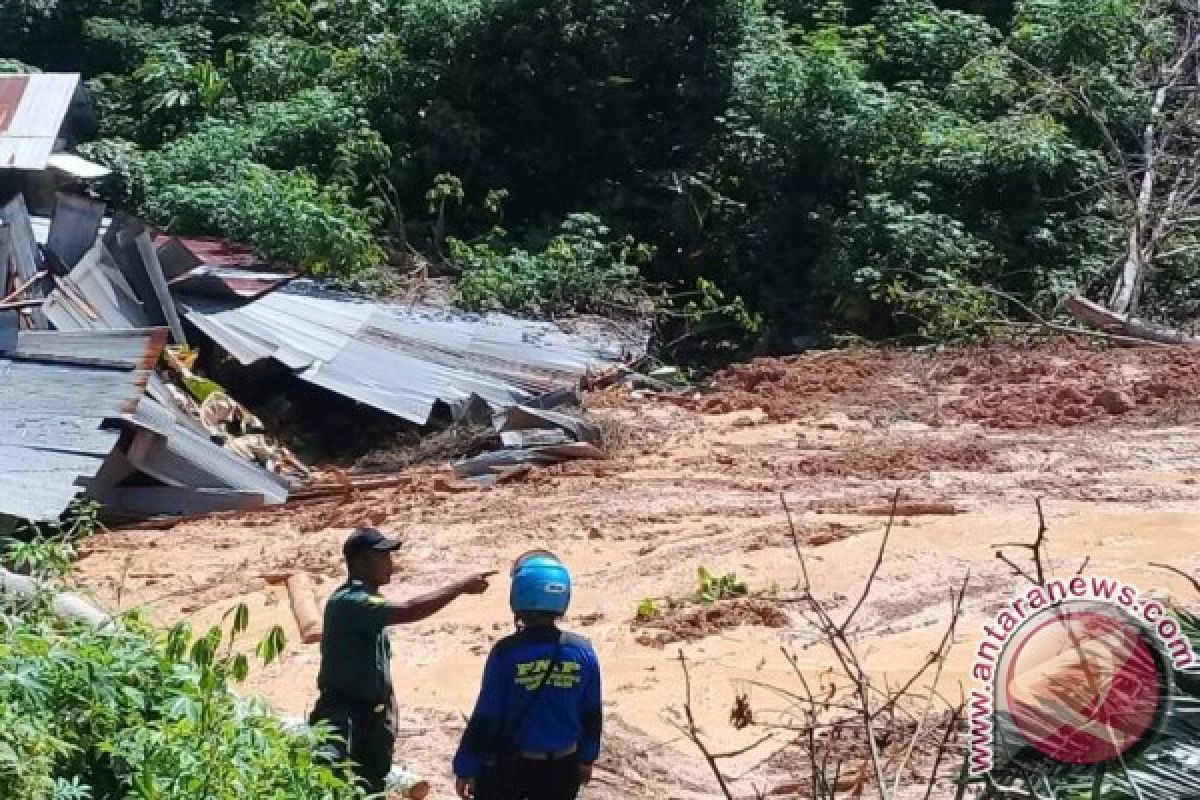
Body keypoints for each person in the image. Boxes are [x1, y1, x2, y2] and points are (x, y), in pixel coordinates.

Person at [310, 526, 494, 796]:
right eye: (382, 557)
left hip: (370, 717)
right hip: (344, 717)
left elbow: (377, 666)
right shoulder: (350, 601)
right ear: (360, 563)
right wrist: (460, 587)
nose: (390, 563)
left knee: (371, 787)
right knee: (335, 785)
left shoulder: (368, 599)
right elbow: (410, 609)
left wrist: (389, 713)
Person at [452, 550, 603, 800]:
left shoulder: (507, 653)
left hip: (512, 766)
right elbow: (591, 712)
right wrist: (587, 759)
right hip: (563, 768)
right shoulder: (583, 651)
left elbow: (487, 716)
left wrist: (466, 767)